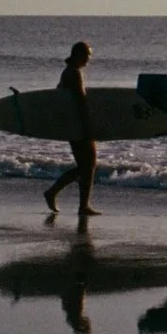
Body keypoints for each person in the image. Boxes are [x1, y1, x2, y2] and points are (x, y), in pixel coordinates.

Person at [41, 41, 101, 218]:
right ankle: (56, 193)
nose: (88, 60)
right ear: (79, 55)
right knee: (87, 166)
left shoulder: (67, 72)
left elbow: (60, 95)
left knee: (85, 166)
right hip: (79, 126)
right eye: (87, 56)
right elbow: (81, 101)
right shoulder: (74, 74)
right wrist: (88, 125)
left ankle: (80, 204)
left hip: (72, 125)